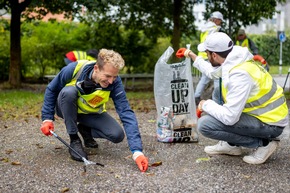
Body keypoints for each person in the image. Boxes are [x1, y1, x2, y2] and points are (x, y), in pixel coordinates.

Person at [176, 32, 289, 164]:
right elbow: (212, 71)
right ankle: (231, 145)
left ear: (214, 55)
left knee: (205, 125)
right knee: (219, 91)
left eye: (207, 53)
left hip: (270, 123)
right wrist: (190, 54)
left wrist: (206, 104)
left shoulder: (240, 75)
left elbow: (230, 118)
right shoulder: (233, 59)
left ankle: (264, 143)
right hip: (262, 115)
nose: (206, 56)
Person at [40, 48, 149, 172]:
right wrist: (47, 118)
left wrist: (137, 152)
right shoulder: (74, 69)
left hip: (90, 113)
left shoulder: (114, 82)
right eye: (107, 76)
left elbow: (125, 112)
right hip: (66, 107)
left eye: (114, 76)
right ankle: (74, 139)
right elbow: (52, 89)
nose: (111, 81)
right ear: (96, 68)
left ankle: (85, 130)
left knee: (117, 135)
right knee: (68, 92)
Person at [195, 11, 225, 105]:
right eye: (220, 20)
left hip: (202, 55)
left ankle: (196, 96)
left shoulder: (205, 28)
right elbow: (213, 43)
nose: (220, 22)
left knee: (204, 79)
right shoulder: (214, 29)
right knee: (217, 77)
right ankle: (218, 100)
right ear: (216, 20)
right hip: (210, 56)